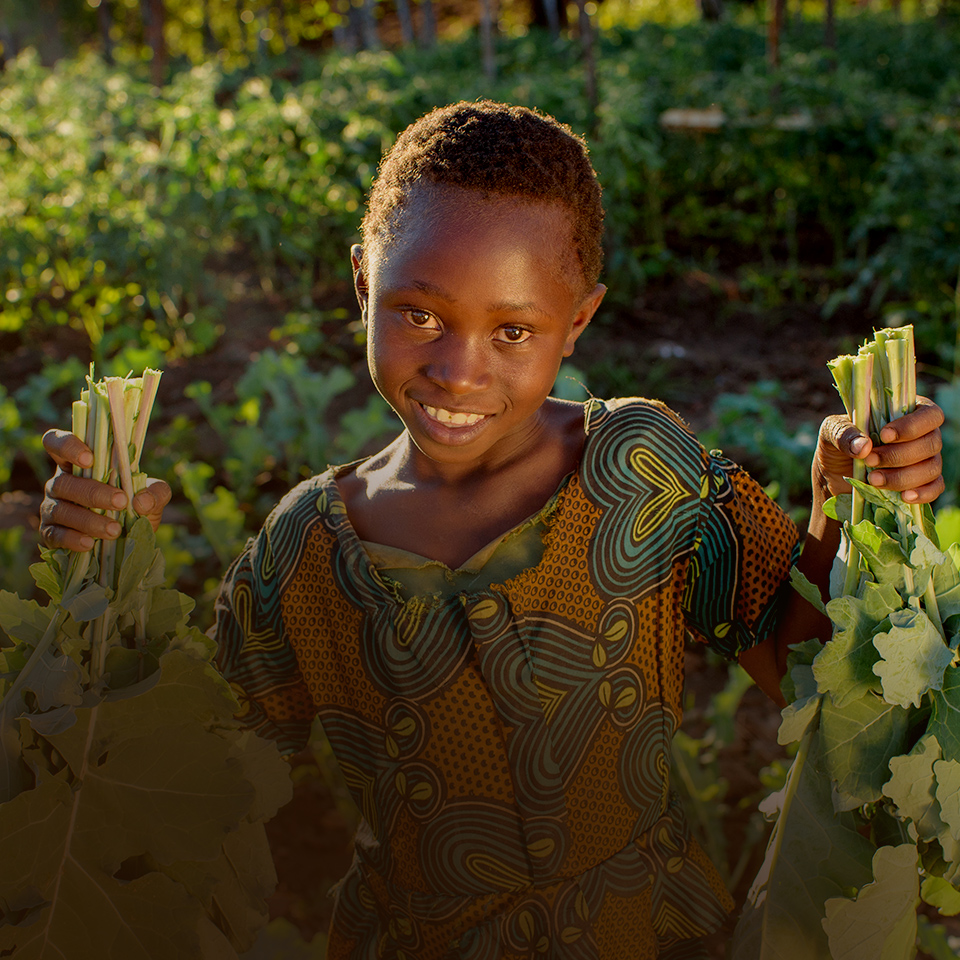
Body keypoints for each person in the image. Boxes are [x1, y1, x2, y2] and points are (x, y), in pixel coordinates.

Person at [38, 101, 945, 959]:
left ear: (577, 320)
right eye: (419, 314)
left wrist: (842, 495)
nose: (458, 372)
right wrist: (100, 578)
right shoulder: (305, 545)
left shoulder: (639, 467)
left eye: (514, 330)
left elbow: (801, 660)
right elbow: (190, 780)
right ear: (364, 282)